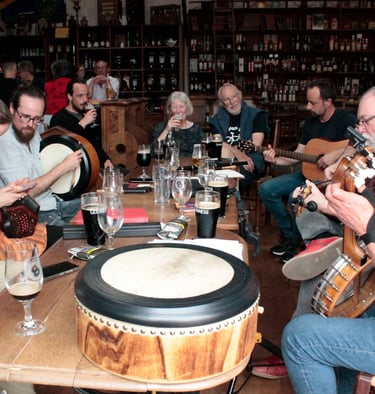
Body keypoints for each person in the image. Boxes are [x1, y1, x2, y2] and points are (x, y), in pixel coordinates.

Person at [259, 78, 357, 261]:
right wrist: (275, 159)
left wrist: (334, 155)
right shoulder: (310, 124)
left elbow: (357, 146)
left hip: (333, 179)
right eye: (308, 101)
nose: (308, 107)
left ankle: (296, 247)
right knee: (267, 189)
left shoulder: (346, 119)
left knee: (294, 197)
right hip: (307, 175)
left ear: (328, 102)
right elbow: (298, 154)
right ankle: (291, 238)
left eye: (313, 102)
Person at [0, 85, 82, 226]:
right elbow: (23, 195)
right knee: (77, 239)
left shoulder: (30, 131)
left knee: (100, 206)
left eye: (37, 119)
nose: (31, 124)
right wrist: (63, 167)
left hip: (53, 203)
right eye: (25, 117)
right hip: (32, 213)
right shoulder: (5, 140)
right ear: (12, 108)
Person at [209, 82, 269, 192]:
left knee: (224, 165)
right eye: (227, 99)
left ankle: (230, 198)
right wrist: (238, 154)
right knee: (223, 152)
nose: (232, 102)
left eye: (234, 97)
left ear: (239, 96)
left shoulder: (256, 115)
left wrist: (236, 152)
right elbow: (218, 142)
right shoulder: (217, 119)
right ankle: (235, 200)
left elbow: (255, 145)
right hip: (226, 160)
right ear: (222, 103)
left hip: (250, 159)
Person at [50, 78, 113, 168]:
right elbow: (64, 146)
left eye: (87, 95)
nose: (85, 100)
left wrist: (106, 159)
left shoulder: (85, 114)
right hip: (78, 170)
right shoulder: (59, 118)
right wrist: (83, 123)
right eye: (80, 96)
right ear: (70, 97)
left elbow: (94, 143)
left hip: (95, 164)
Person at [152, 90, 203, 157]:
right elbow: (153, 152)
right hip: (169, 165)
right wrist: (167, 130)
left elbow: (202, 152)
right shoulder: (161, 126)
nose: (178, 111)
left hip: (191, 166)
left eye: (181, 106)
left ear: (187, 108)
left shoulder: (196, 128)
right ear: (170, 110)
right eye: (174, 107)